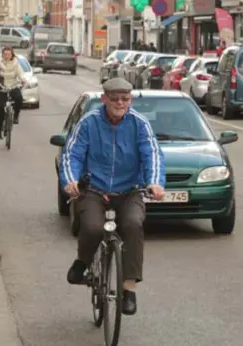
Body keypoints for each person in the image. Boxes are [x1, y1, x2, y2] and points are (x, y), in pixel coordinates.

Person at [61, 77, 165, 316]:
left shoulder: (139, 124)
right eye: (115, 98)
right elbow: (72, 154)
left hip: (130, 190)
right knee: (93, 227)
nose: (120, 103)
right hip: (94, 190)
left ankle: (128, 289)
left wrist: (155, 183)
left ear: (130, 100)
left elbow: (152, 154)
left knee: (133, 224)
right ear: (105, 99)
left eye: (125, 99)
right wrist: (70, 181)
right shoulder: (89, 123)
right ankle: (83, 261)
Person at [0, 46, 26, 140]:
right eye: (5, 54)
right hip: (2, 87)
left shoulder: (16, 63)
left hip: (13, 85)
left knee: (19, 98)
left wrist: (23, 79)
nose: (7, 56)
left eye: (9, 54)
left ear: (12, 54)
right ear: (2, 54)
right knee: (0, 107)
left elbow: (20, 73)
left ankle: (16, 115)